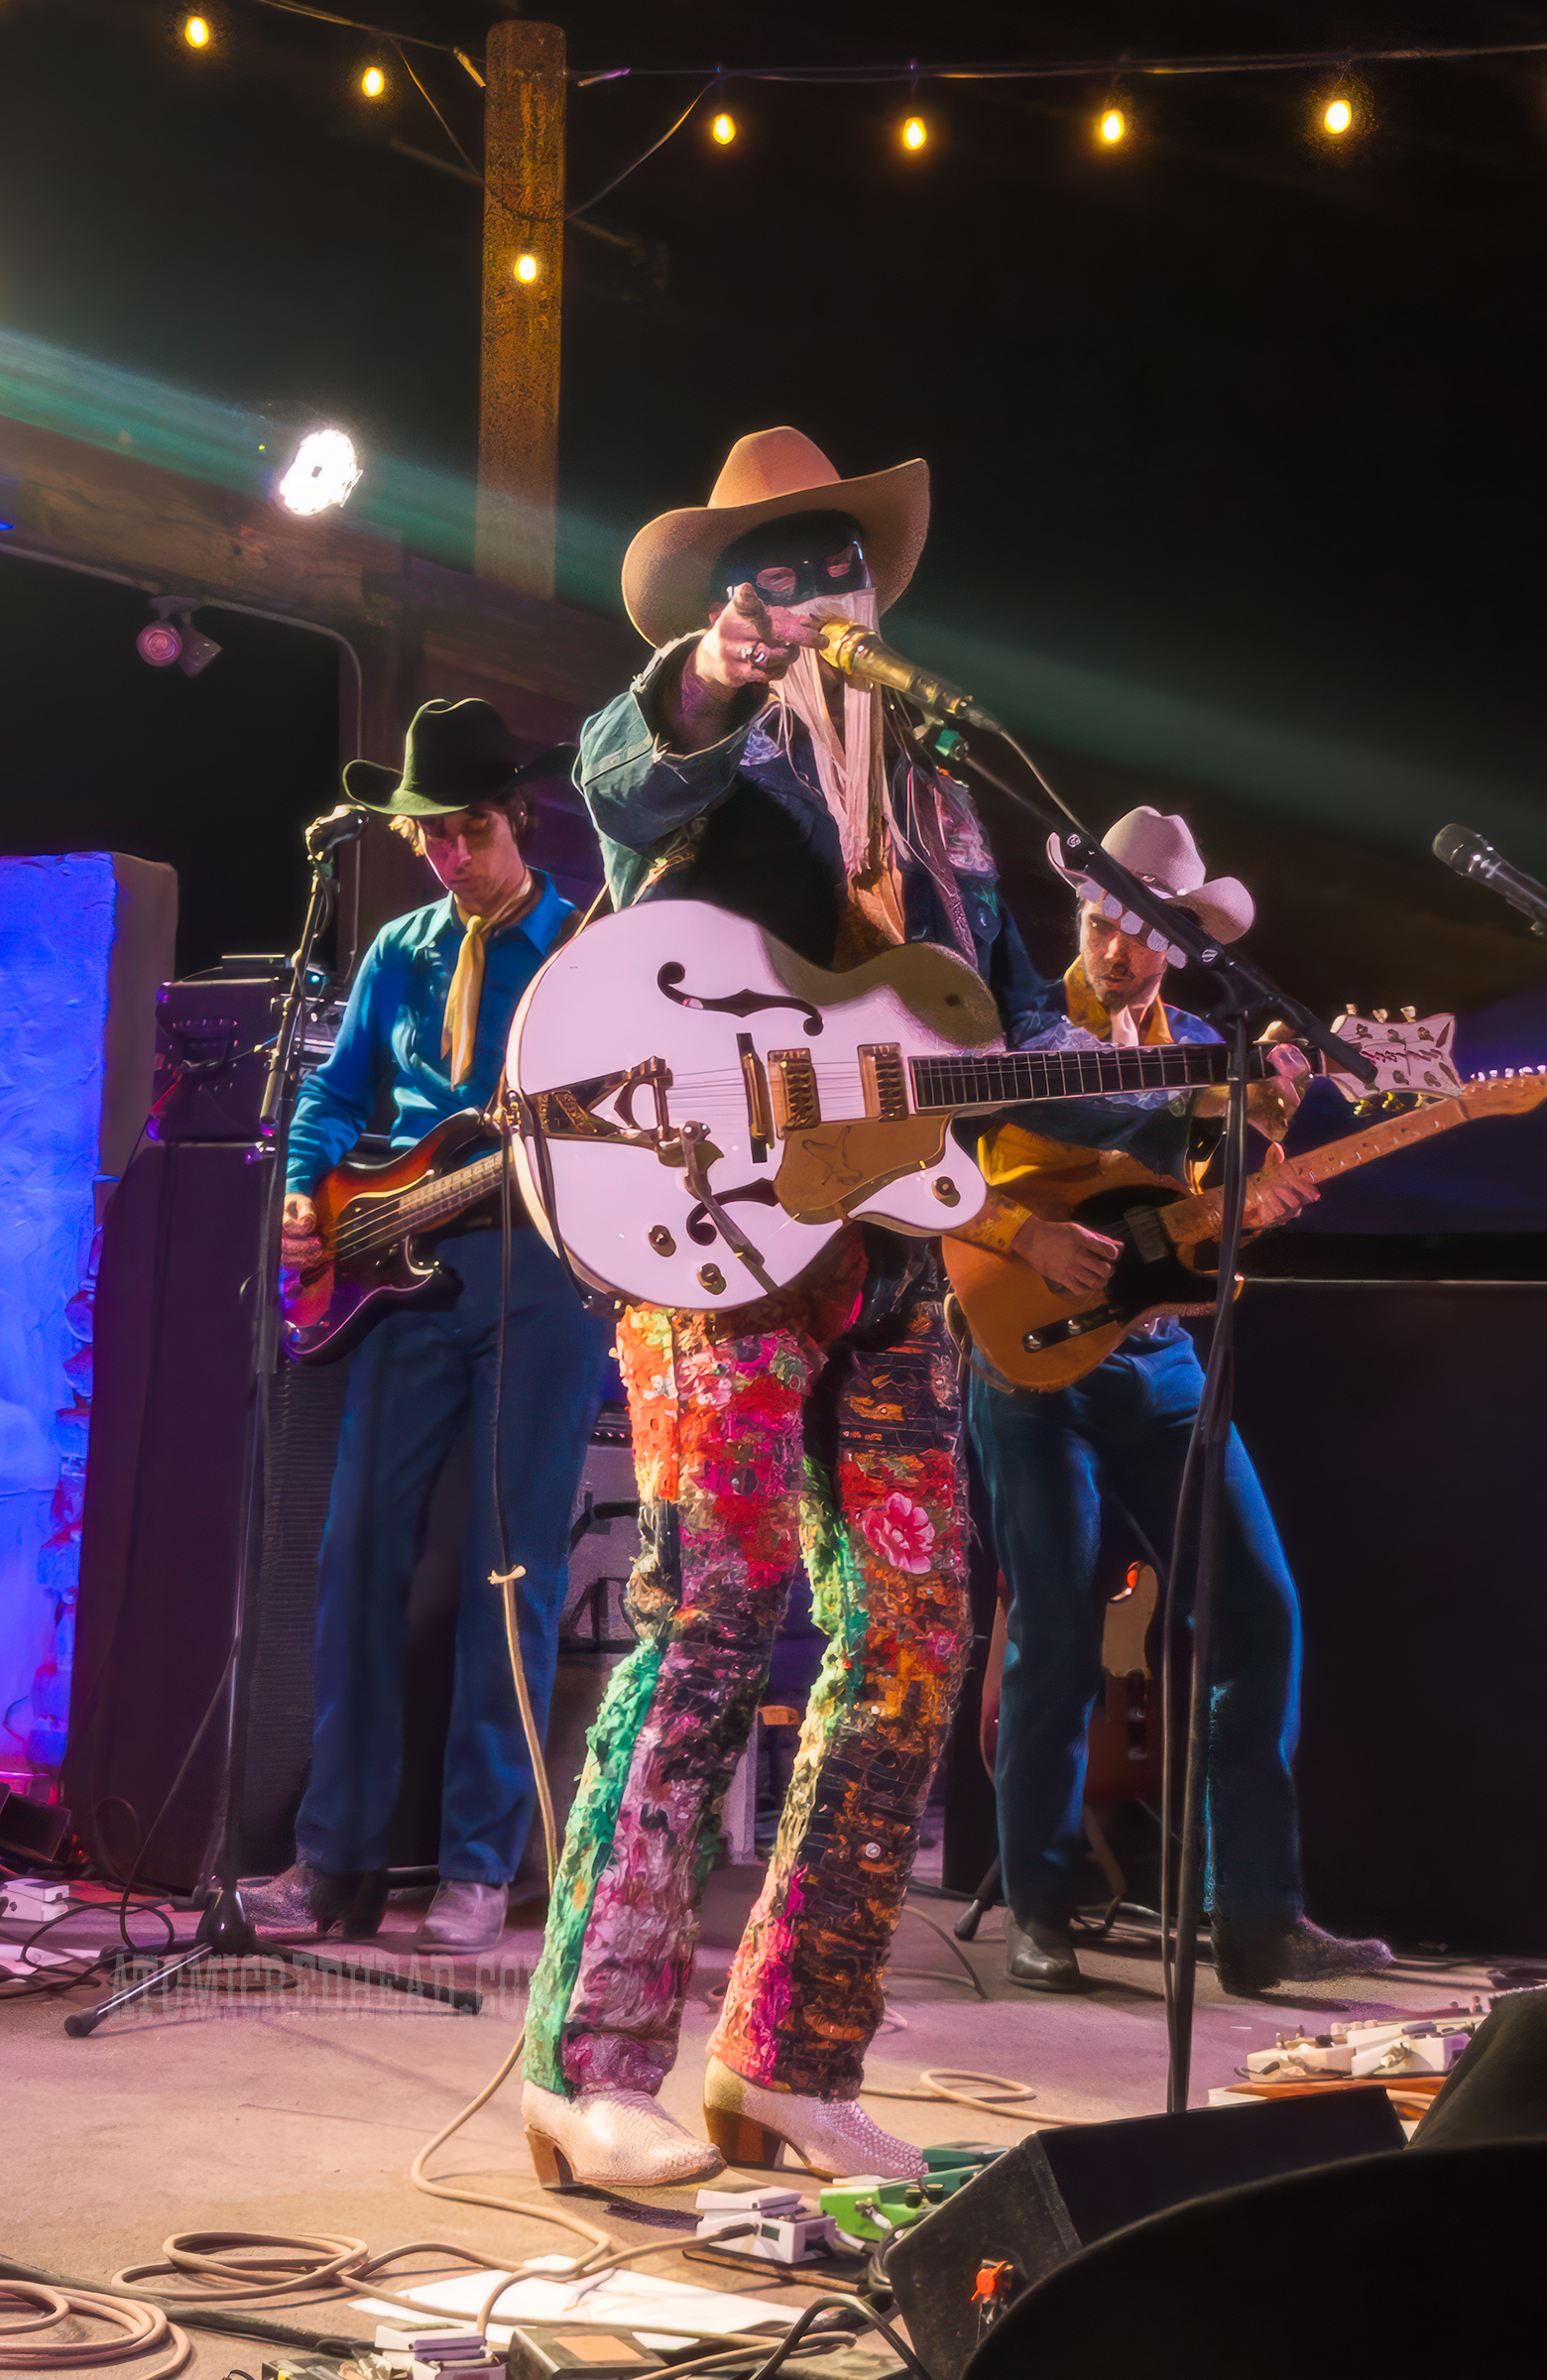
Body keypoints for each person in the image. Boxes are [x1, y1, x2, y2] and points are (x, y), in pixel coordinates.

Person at [519, 426, 1077, 2190]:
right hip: (716, 1226)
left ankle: (787, 2063)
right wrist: (710, 675)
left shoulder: (940, 791)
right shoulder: (696, 730)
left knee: (915, 1629)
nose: (818, 591)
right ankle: (587, 2067)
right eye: (776, 567)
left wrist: (1197, 1067)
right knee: (710, 1610)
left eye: (838, 563)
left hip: (892, 1257)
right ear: (723, 596)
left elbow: (1005, 1030)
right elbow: (623, 784)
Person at [965, 805, 1394, 1996]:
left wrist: (1266, 1156)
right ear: (1079, 911)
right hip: (1023, 1356)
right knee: (1056, 1638)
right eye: (1103, 920)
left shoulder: (1211, 1046)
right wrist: (1024, 1236)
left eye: (1145, 930)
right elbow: (933, 1171)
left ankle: (1254, 1918)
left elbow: (1199, 1218)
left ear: (1182, 941)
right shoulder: (1017, 1025)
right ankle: (1040, 1912)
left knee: (1259, 1613)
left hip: (1156, 1361)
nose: (1118, 949)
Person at [242, 699, 610, 1957]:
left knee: (512, 1570)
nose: (448, 856)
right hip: (395, 1269)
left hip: (540, 1273)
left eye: (467, 833)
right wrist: (306, 1192)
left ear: (517, 818)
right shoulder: (400, 948)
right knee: (355, 1558)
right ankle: (331, 1860)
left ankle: (476, 1868)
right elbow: (334, 1096)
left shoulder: (583, 949)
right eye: (430, 837)